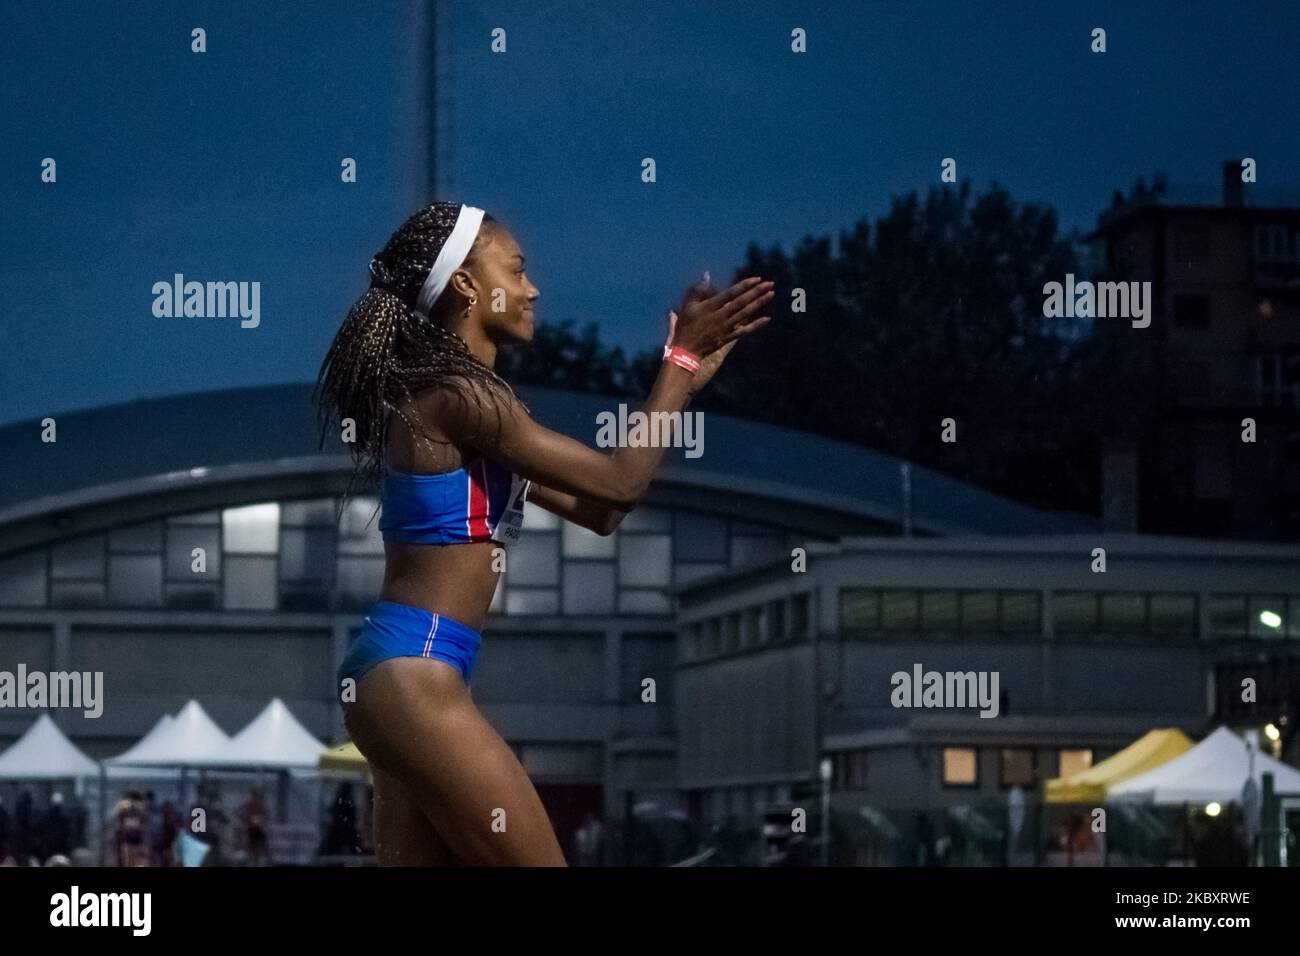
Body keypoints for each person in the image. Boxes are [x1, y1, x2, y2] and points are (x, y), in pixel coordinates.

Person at [319, 202, 773, 866]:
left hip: (396, 678)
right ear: (467, 287)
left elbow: (602, 511)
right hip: (412, 677)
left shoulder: (459, 398)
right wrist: (676, 362)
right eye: (519, 269)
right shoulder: (463, 395)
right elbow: (620, 480)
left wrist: (684, 383)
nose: (534, 290)